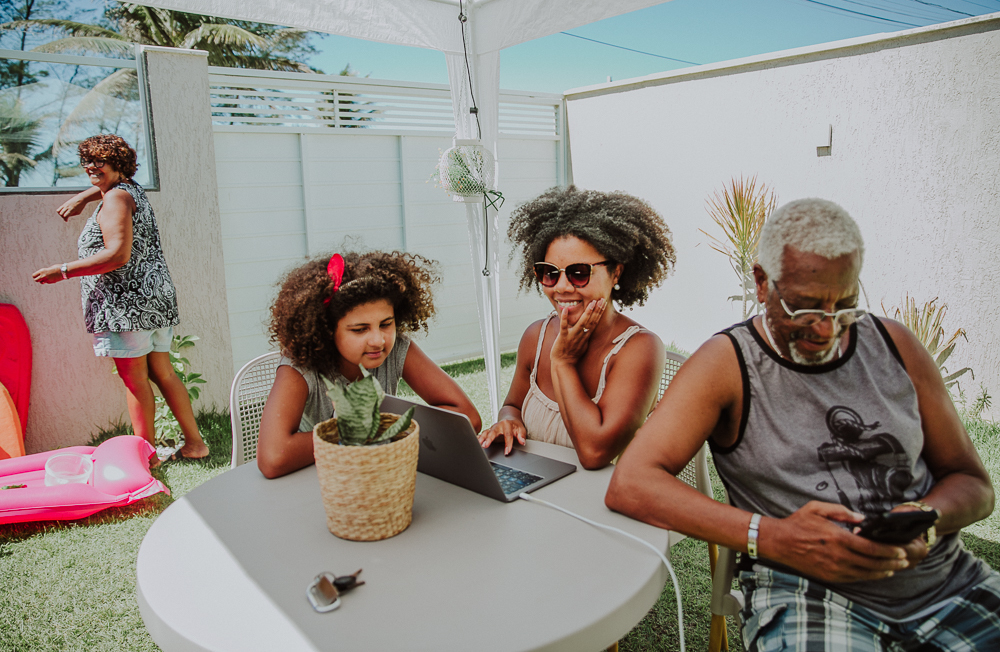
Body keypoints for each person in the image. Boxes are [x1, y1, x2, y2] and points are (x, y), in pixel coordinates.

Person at [606, 198, 999, 650]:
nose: (827, 329)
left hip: (946, 585)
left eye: (845, 306)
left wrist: (924, 521)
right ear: (761, 282)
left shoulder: (895, 345)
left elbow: (973, 482)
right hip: (808, 598)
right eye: (805, 308)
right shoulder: (728, 363)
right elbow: (632, 483)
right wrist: (771, 536)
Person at [32, 134, 209, 460]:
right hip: (154, 299)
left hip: (126, 306)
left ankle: (147, 458)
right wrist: (86, 197)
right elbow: (113, 187)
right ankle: (196, 445)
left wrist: (65, 270)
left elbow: (117, 255)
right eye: (87, 160)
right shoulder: (129, 191)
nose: (91, 166)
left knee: (134, 381)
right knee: (163, 373)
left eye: (100, 160)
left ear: (119, 164)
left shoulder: (115, 199)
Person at [478, 186, 676, 469]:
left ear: (615, 272)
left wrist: (562, 363)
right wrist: (508, 421)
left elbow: (594, 453)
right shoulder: (536, 337)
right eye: (549, 273)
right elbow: (513, 405)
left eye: (579, 273)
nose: (561, 287)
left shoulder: (640, 349)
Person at [257, 250, 482, 478]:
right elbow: (273, 458)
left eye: (386, 324)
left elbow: (468, 418)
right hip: (319, 484)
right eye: (360, 329)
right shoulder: (300, 368)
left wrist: (385, 426)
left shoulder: (396, 350)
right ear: (327, 330)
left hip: (375, 482)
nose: (378, 340)